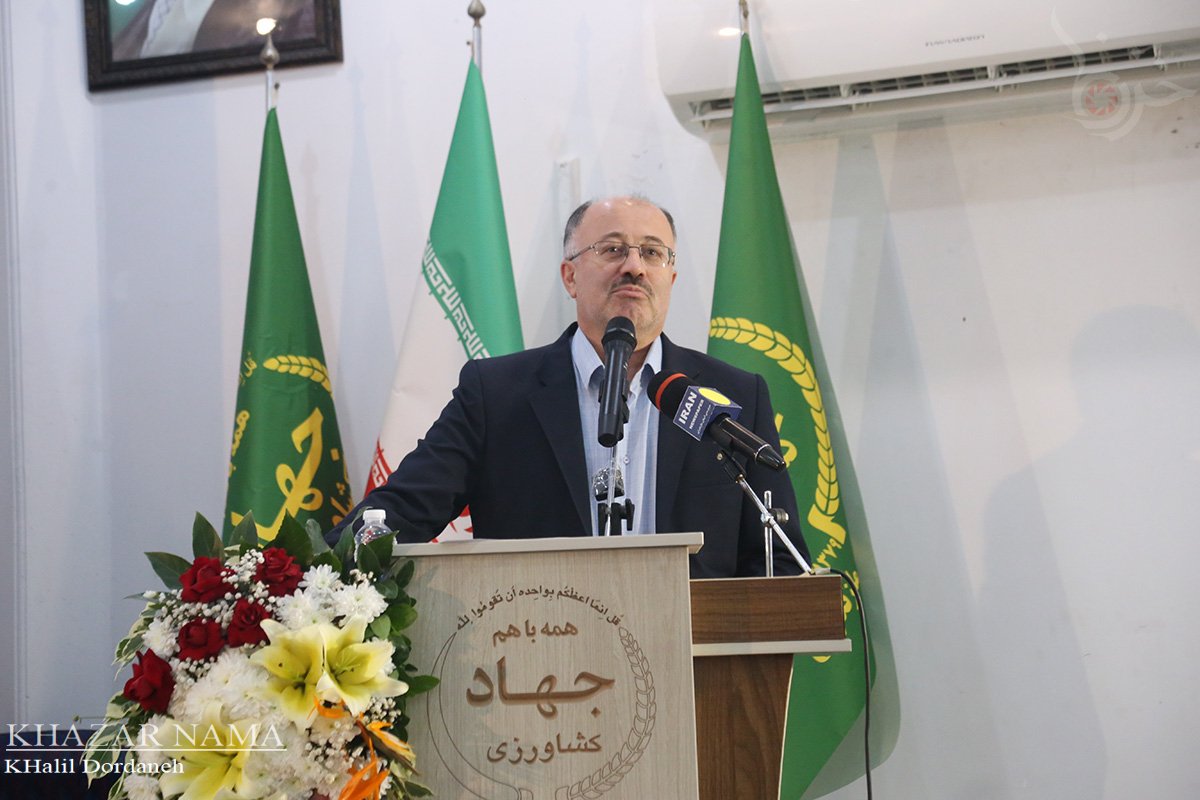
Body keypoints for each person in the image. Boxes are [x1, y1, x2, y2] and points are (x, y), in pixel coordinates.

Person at [328, 196, 809, 578]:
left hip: (695, 661)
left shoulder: (734, 397)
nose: (635, 266)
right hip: (539, 653)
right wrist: (310, 574)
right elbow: (404, 510)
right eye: (613, 249)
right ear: (570, 276)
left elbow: (778, 559)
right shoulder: (496, 395)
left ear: (671, 277)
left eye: (652, 253)